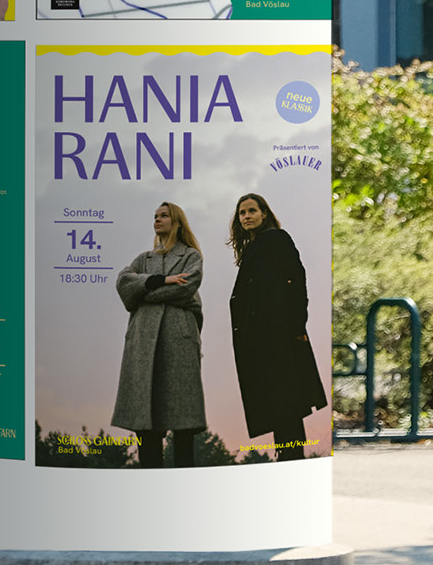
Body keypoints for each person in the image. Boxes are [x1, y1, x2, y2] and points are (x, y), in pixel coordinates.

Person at [227, 192, 328, 461]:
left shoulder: (276, 239)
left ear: (264, 213)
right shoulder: (254, 247)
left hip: (279, 338)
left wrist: (295, 326)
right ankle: (286, 458)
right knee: (277, 405)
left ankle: (291, 460)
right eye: (242, 213)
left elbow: (297, 280)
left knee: (287, 404)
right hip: (262, 341)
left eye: (251, 211)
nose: (246, 216)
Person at [113, 202, 208, 468]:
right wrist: (160, 280)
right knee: (146, 424)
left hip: (178, 342)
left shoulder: (191, 256)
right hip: (142, 344)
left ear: (176, 221)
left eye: (164, 216)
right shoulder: (143, 259)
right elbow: (122, 284)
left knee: (183, 425)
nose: (157, 220)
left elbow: (185, 288)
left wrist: (143, 292)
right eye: (155, 216)